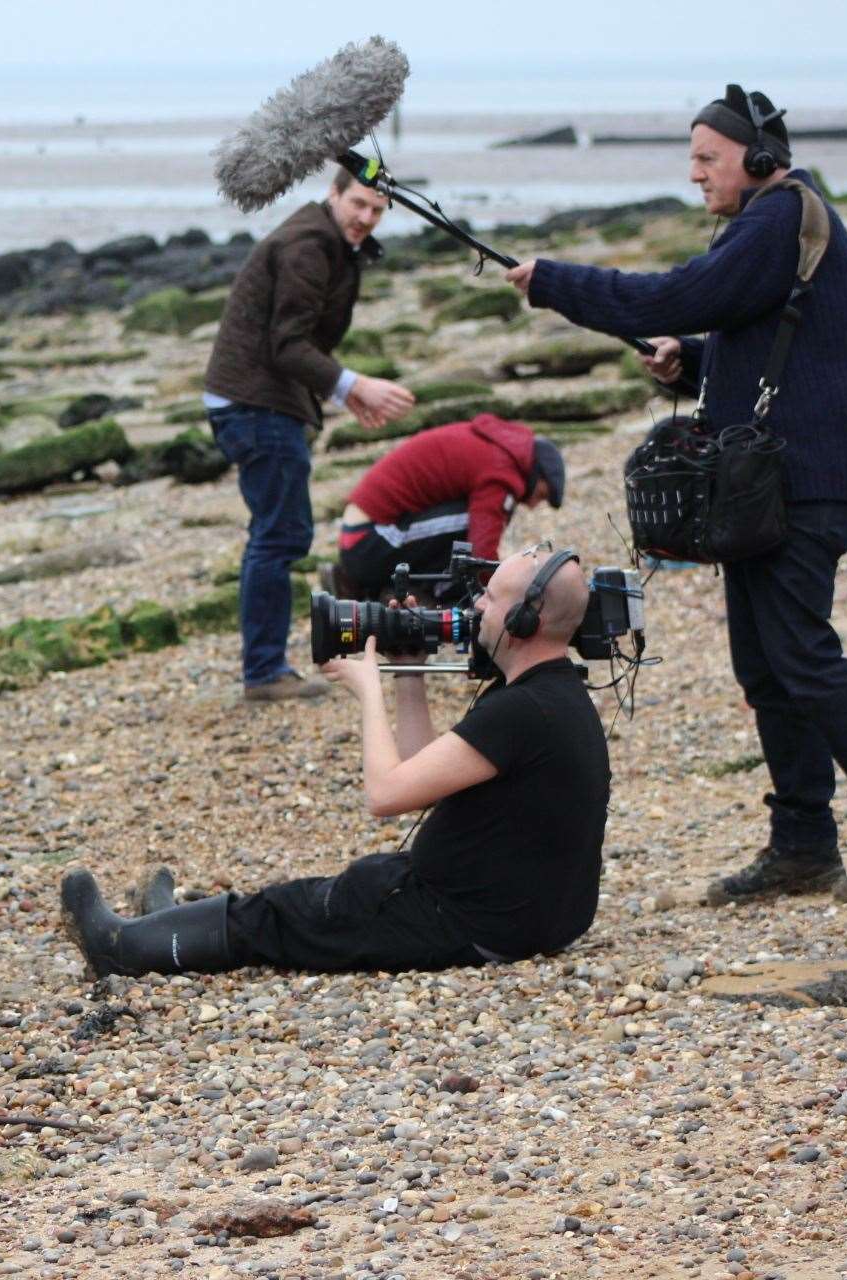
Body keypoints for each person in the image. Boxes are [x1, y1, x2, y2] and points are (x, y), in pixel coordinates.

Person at [503, 83, 847, 904]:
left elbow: (679, 294)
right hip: (773, 487)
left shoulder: (779, 216)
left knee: (802, 652)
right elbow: (783, 342)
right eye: (692, 160)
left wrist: (556, 283)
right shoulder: (771, 224)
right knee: (767, 662)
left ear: (758, 158)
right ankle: (803, 844)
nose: (695, 175)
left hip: (803, 484)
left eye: (707, 159)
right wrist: (698, 361)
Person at [62, 545, 609, 977]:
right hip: (515, 914)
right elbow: (429, 779)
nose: (475, 608)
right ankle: (167, 923)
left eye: (489, 598)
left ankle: (125, 947)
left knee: (294, 912)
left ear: (523, 620)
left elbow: (386, 795)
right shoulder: (549, 694)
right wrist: (410, 675)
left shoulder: (519, 710)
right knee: (327, 893)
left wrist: (369, 689)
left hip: (469, 921)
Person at [203, 167, 416, 701]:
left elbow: (295, 345)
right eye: (359, 204)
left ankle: (266, 667)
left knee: (277, 534)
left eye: (377, 210)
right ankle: (264, 672)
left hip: (251, 399)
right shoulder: (308, 246)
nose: (366, 218)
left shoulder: (324, 241)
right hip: (254, 404)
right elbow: (287, 345)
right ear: (333, 193)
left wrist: (344, 395)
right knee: (279, 536)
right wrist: (354, 386)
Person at [334, 415, 565, 603]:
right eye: (541, 495)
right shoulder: (501, 471)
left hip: (358, 538)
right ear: (535, 473)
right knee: (471, 526)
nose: (533, 505)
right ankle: (439, 594)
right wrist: (505, 596)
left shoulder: (494, 447)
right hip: (367, 542)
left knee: (471, 534)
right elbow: (481, 551)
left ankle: (417, 588)